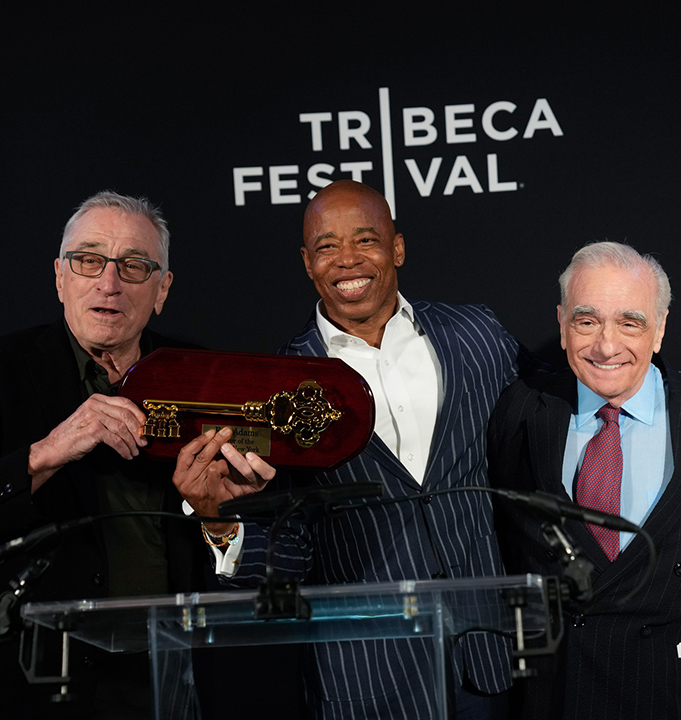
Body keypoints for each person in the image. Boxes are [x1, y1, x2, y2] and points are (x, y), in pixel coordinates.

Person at [174, 180, 538, 719]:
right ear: (306, 262)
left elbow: (544, 436)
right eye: (326, 247)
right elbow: (288, 557)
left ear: (397, 248)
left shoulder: (476, 336)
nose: (347, 260)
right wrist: (218, 521)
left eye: (365, 240)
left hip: (489, 661)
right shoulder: (276, 388)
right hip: (366, 677)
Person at [0, 191, 260, 718]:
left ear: (162, 290)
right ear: (59, 277)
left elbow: (245, 566)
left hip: (169, 682)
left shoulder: (204, 378)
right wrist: (45, 454)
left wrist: (214, 520)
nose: (109, 283)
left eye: (134, 266)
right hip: (36, 685)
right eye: (89, 260)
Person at [486, 241, 681, 720]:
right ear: (561, 325)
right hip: (563, 695)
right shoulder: (520, 412)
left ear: (659, 329)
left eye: (630, 322)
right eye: (586, 321)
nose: (605, 344)